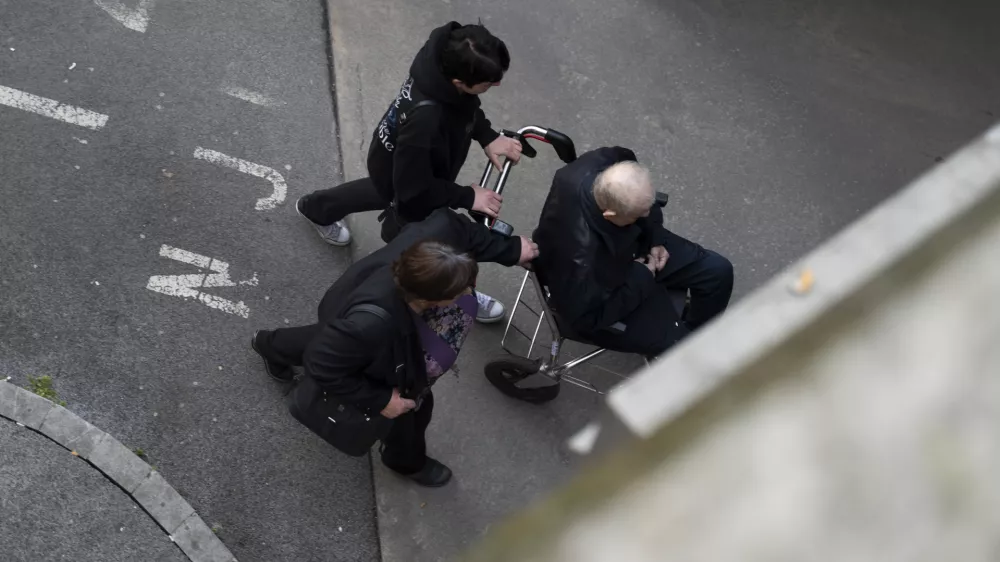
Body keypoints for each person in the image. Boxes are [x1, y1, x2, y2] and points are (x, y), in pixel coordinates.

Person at [251, 210, 538, 486]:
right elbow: (321, 363)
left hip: (353, 316)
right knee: (411, 409)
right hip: (370, 337)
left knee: (327, 342)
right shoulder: (372, 327)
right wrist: (381, 400)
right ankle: (405, 462)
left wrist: (512, 249)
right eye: (460, 291)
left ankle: (269, 345)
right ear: (431, 300)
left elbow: (454, 223)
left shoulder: (438, 240)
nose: (469, 292)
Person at [295, 21, 523, 324]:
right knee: (423, 241)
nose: (495, 86)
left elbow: (464, 107)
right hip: (412, 177)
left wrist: (487, 135)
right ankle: (456, 291)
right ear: (458, 81)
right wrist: (468, 196)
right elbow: (415, 193)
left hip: (397, 163)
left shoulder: (442, 58)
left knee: (383, 188)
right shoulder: (426, 121)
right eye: (487, 83)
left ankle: (317, 208)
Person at [532, 147, 734, 358]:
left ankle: (697, 333)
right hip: (607, 297)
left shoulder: (603, 162)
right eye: (640, 213)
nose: (648, 213)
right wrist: (642, 275)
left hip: (633, 247)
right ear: (610, 214)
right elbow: (587, 318)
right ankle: (685, 351)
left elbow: (645, 205)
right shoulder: (580, 262)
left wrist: (655, 238)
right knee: (681, 347)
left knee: (717, 271)